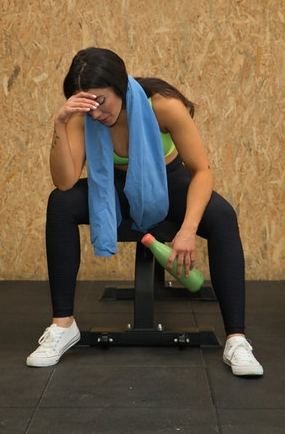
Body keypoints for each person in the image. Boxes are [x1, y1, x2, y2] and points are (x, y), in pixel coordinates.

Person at [26, 47, 263, 377]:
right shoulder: (83, 118)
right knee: (60, 202)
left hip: (169, 182)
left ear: (120, 86)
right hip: (115, 187)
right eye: (87, 103)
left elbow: (202, 171)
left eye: (101, 101)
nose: (96, 112)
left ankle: (237, 339)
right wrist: (61, 122)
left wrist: (187, 229)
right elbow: (65, 181)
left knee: (222, 216)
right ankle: (63, 325)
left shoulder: (162, 106)